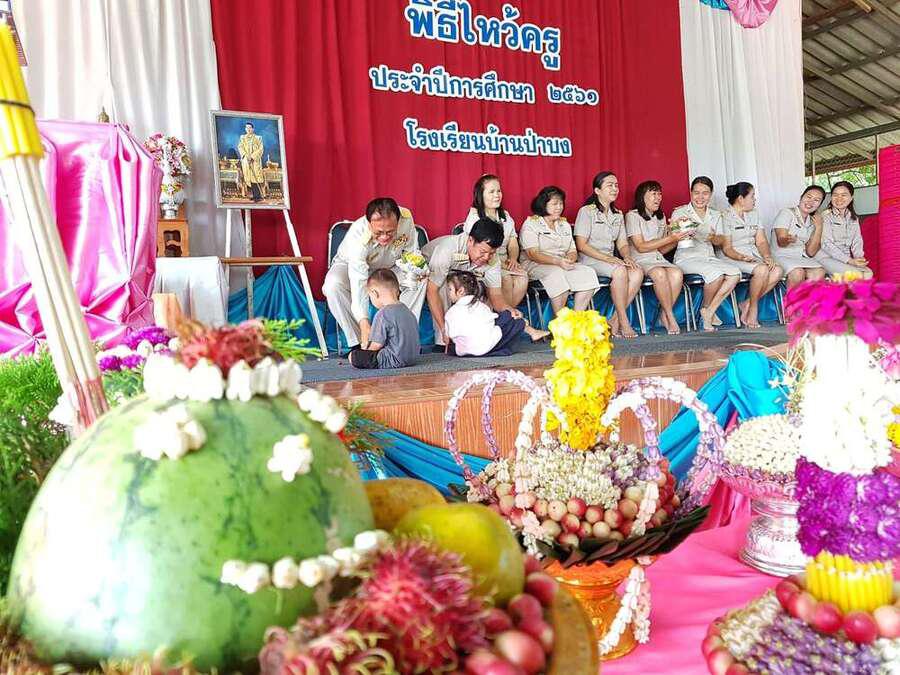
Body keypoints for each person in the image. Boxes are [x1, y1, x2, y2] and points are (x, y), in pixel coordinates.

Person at [323, 197, 427, 352]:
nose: (384, 237)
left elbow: (410, 253)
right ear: (369, 223)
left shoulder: (406, 218)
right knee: (333, 285)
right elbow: (359, 281)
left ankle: (401, 336)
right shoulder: (359, 236)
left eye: (390, 232)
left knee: (418, 279)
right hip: (351, 266)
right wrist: (364, 321)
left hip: (391, 266)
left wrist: (417, 270)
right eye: (379, 232)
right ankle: (361, 341)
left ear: (398, 222)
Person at [423, 218, 522, 346]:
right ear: (470, 240)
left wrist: (509, 310)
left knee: (481, 288)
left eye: (491, 253)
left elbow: (496, 296)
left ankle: (478, 337)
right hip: (429, 274)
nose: (486, 257)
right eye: (483, 252)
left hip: (460, 277)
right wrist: (443, 328)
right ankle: (443, 341)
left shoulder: (492, 259)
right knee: (444, 287)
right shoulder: (447, 249)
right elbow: (432, 290)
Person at [574, 171, 644, 338]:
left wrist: (626, 257)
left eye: (616, 185)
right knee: (620, 271)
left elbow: (622, 243)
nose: (615, 189)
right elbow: (581, 245)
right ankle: (623, 321)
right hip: (590, 260)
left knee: (637, 272)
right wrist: (609, 259)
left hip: (609, 261)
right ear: (597, 191)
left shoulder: (617, 214)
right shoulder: (586, 211)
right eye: (610, 185)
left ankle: (614, 320)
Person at [671, 177, 741, 332]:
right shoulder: (680, 212)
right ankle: (707, 311)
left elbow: (720, 240)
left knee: (735, 274)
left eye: (705, 193)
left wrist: (713, 238)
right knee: (716, 275)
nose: (700, 197)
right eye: (696, 193)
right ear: (691, 193)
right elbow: (677, 238)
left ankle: (708, 310)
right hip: (687, 258)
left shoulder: (715, 214)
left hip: (708, 257)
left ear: (711, 194)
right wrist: (687, 231)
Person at [519, 186, 600, 316]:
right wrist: (558, 262)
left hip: (562, 264)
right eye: (554, 204)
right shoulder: (531, 224)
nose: (559, 207)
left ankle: (576, 318)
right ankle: (560, 322)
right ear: (543, 204)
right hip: (536, 264)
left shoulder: (564, 224)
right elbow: (532, 254)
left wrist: (570, 259)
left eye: (561, 203)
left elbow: (572, 250)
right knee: (556, 274)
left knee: (588, 272)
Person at [717, 182, 784, 329]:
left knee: (777, 270)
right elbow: (727, 248)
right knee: (762, 270)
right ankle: (753, 308)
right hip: (731, 256)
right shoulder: (724, 216)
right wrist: (742, 257)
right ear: (741, 199)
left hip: (753, 256)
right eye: (752, 196)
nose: (754, 200)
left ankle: (746, 303)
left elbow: (761, 241)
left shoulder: (754, 214)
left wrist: (767, 256)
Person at [625, 181, 685, 335]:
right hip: (640, 259)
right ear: (642, 197)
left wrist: (678, 238)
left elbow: (661, 249)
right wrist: (670, 238)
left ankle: (664, 314)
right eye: (653, 194)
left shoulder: (660, 217)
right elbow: (641, 247)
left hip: (657, 259)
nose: (658, 197)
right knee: (659, 273)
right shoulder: (632, 216)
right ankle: (670, 316)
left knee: (677, 273)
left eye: (659, 194)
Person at [444, 271, 548, 357]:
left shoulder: (451, 312)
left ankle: (531, 331)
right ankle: (531, 330)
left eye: (450, 289)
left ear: (461, 291)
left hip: (464, 351)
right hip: (486, 347)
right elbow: (491, 321)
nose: (448, 293)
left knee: (456, 344)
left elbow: (450, 335)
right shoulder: (481, 306)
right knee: (508, 316)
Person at [463, 174, 528, 308]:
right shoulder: (475, 217)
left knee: (523, 278)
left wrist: (513, 259)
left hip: (505, 262)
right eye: (491, 192)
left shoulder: (505, 216)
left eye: (498, 191)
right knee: (506, 279)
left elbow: (513, 242)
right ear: (481, 195)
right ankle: (503, 315)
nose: (497, 195)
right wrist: (504, 265)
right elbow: (478, 250)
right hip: (485, 261)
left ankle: (507, 313)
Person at [348, 269, 420, 369]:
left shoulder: (382, 314)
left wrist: (365, 351)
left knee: (353, 356)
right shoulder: (407, 310)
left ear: (375, 293)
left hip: (393, 359)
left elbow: (376, 346)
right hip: (413, 358)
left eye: (370, 297)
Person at [771, 186, 827, 288]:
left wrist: (819, 227)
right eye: (808, 197)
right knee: (798, 273)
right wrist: (788, 239)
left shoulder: (813, 221)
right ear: (801, 197)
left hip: (800, 257)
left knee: (819, 272)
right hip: (781, 255)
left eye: (816, 200)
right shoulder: (786, 213)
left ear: (819, 205)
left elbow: (811, 253)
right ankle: (791, 299)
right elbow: (781, 242)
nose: (810, 202)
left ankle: (805, 298)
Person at [815, 181, 873, 278]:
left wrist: (859, 257)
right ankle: (834, 283)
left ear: (851, 197)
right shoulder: (825, 216)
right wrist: (850, 261)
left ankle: (837, 283)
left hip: (846, 258)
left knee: (868, 274)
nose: (839, 198)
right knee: (857, 276)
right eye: (835, 195)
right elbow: (827, 245)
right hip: (826, 257)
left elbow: (857, 241)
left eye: (844, 195)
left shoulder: (853, 218)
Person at [237, 122, 266, 202]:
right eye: (247, 128)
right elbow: (240, 147)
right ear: (245, 129)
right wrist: (246, 156)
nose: (248, 129)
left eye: (250, 128)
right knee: (248, 178)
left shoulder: (258, 138)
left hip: (255, 161)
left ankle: (258, 196)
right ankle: (254, 195)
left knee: (255, 177)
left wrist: (252, 156)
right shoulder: (242, 137)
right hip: (246, 161)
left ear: (253, 129)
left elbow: (261, 149)